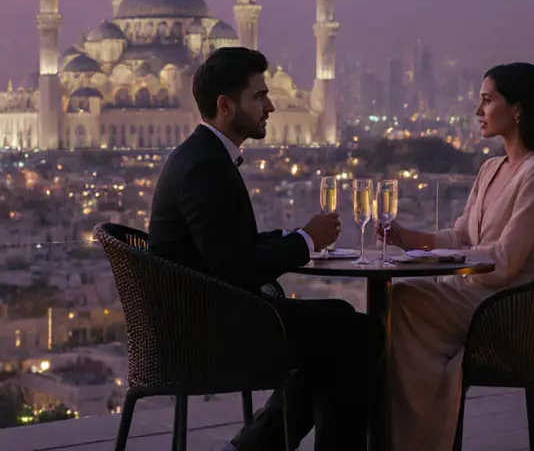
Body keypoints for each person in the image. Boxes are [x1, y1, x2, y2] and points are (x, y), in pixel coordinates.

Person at [148, 46, 384, 451]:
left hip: (204, 312)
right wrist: (306, 241)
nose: (270, 106)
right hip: (207, 329)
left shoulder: (202, 156)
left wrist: (292, 237)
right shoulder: (206, 166)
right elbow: (234, 266)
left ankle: (254, 447)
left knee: (341, 322)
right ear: (225, 105)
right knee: (359, 335)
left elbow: (223, 247)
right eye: (259, 97)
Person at [379, 62, 534, 451]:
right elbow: (462, 234)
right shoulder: (490, 169)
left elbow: (507, 258)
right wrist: (408, 239)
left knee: (403, 299)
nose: (478, 111)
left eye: (487, 100)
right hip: (473, 293)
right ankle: (399, 430)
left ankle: (414, 436)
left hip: (507, 305)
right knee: (393, 305)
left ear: (516, 109)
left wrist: (449, 260)